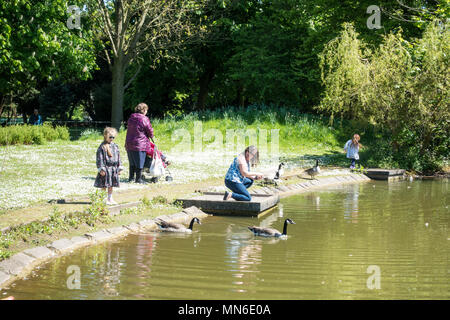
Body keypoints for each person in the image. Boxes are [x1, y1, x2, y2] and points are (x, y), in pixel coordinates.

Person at [125, 103, 155, 184]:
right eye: (146, 110)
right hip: (139, 143)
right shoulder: (144, 119)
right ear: (144, 110)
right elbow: (149, 130)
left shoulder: (131, 118)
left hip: (129, 142)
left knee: (132, 161)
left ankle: (131, 178)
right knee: (140, 162)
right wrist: (152, 136)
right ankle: (138, 179)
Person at [94, 127, 123, 205]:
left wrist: (119, 167)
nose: (112, 139)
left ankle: (110, 198)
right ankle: (103, 198)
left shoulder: (115, 146)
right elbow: (99, 159)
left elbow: (119, 157)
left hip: (113, 168)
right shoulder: (102, 147)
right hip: (106, 169)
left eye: (113, 137)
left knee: (111, 185)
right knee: (104, 185)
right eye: (110, 137)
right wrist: (101, 169)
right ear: (105, 135)